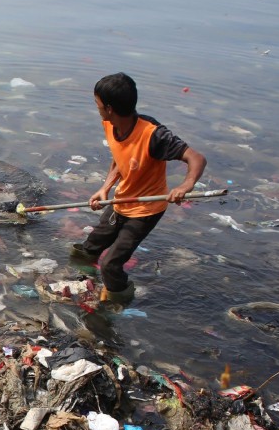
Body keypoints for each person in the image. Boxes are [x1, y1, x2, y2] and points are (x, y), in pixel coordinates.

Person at [71, 72, 206, 303]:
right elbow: (120, 157)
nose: (97, 108)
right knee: (88, 249)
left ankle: (117, 304)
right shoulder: (110, 124)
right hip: (120, 202)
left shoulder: (153, 135)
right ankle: (83, 283)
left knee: (111, 265)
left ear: (110, 108)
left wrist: (185, 185)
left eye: (98, 104)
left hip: (145, 210)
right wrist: (106, 187)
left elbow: (197, 158)